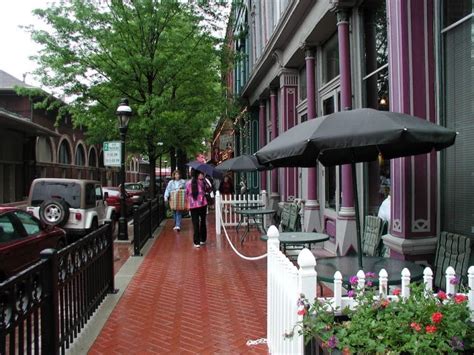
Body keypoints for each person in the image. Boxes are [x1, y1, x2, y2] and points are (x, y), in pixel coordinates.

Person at [185, 169, 212, 247]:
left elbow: (186, 194)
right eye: (201, 174)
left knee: (197, 222)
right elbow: (209, 189)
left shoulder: (189, 183)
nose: (202, 175)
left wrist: (187, 204)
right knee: (200, 222)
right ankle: (201, 239)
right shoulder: (200, 182)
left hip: (196, 205)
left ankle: (198, 241)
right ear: (197, 174)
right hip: (200, 205)